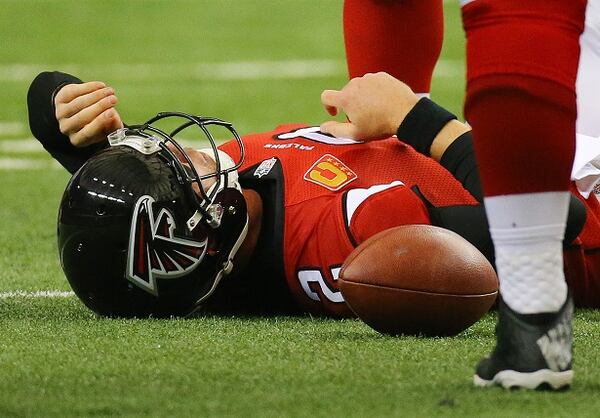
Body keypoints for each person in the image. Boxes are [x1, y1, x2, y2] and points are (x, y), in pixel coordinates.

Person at [27, 71, 600, 320]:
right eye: (186, 166)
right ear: (204, 224)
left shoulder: (219, 242)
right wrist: (417, 117)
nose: (191, 151)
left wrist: (64, 118)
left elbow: (43, 97)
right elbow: (546, 216)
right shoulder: (344, 234)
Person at [343, 0, 595, 390]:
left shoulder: (263, 171)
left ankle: (533, 309)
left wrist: (398, 119)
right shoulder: (330, 229)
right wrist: (411, 119)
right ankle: (533, 302)